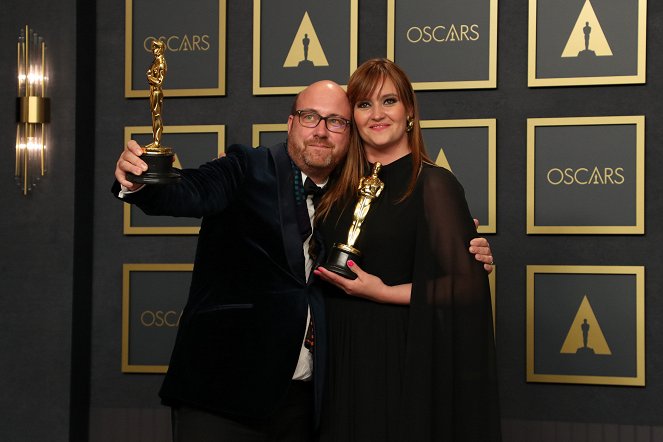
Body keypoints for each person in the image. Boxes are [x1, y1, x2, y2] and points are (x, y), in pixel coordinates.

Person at [113, 80, 495, 442]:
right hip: (222, 395)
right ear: (291, 122)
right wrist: (140, 184)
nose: (321, 131)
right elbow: (191, 192)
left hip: (308, 404)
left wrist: (462, 253)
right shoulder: (245, 166)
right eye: (310, 117)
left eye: (336, 122)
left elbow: (406, 243)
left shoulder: (354, 196)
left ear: (351, 132)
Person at [314, 59, 501, 441]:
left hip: (396, 358)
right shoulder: (334, 185)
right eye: (364, 105)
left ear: (409, 111)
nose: (377, 114)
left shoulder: (434, 184)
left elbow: (463, 288)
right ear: (352, 116)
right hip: (333, 358)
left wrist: (381, 291)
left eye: (389, 101)